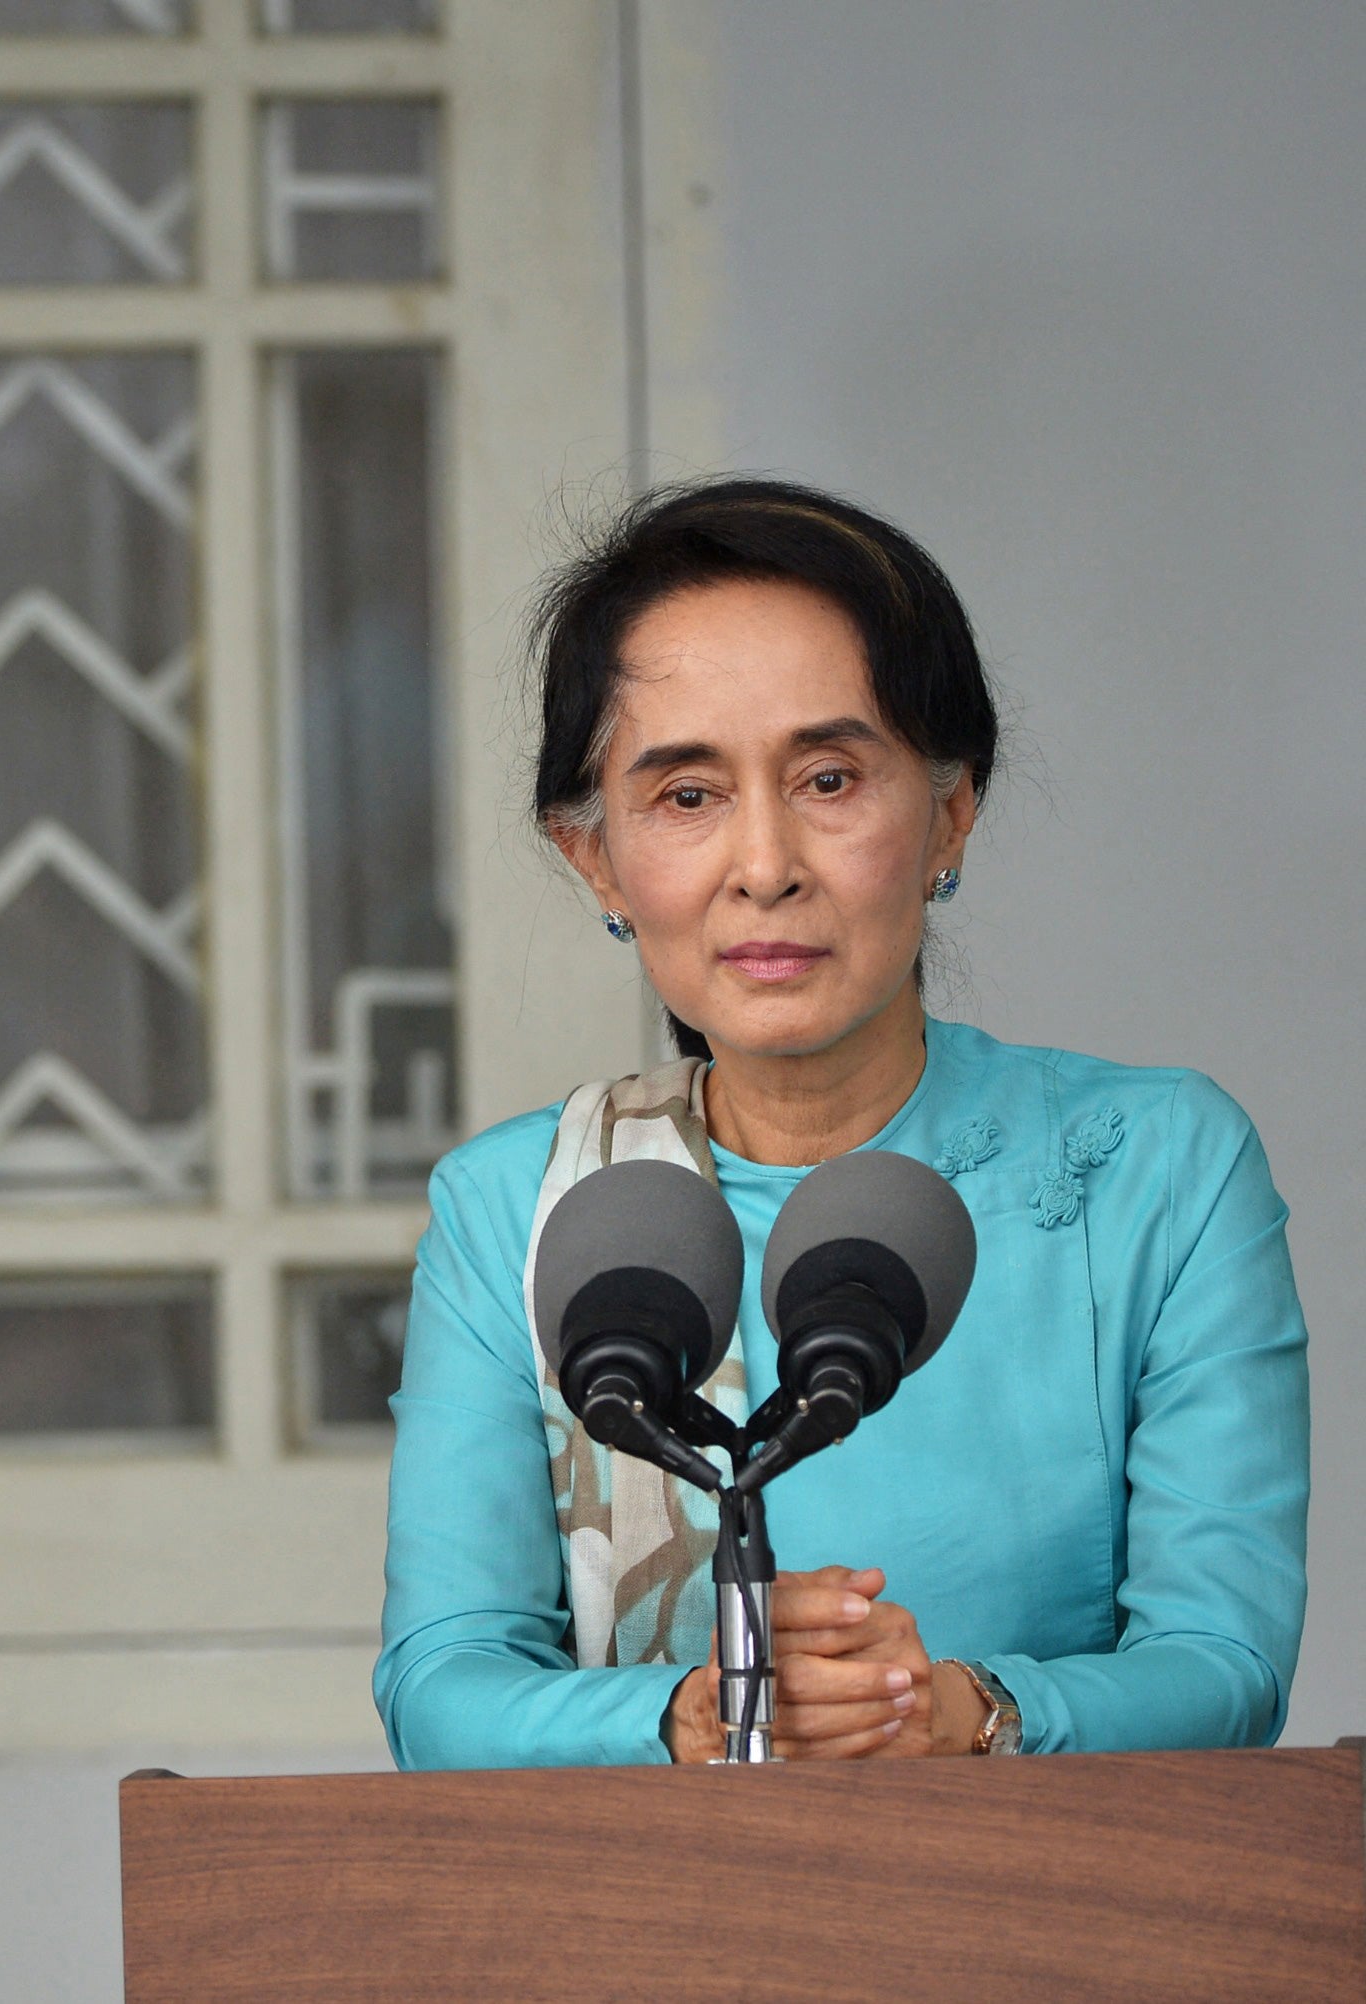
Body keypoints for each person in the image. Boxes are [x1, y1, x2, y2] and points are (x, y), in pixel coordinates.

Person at [373, 478, 1308, 1767]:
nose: (765, 864)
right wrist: (692, 1718)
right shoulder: (515, 1212)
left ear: (950, 810)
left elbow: (1229, 1669)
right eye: (687, 796)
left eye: (827, 776)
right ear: (595, 858)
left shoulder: (1165, 1171)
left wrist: (964, 1714)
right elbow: (441, 1688)